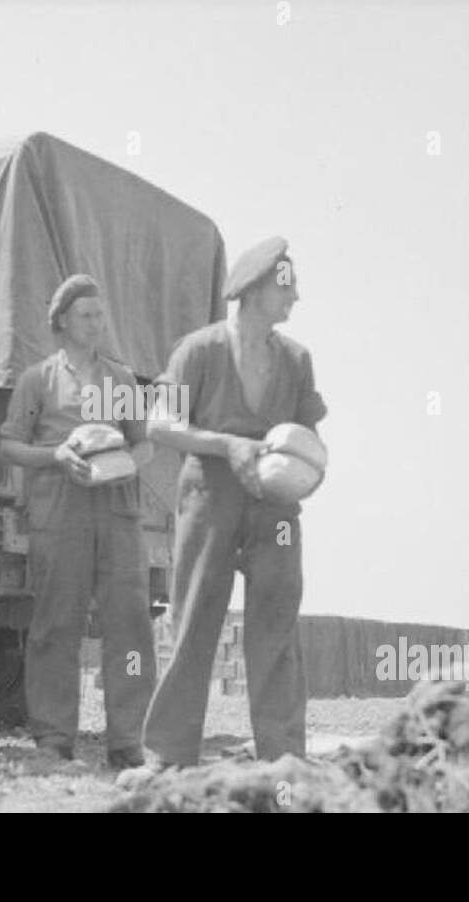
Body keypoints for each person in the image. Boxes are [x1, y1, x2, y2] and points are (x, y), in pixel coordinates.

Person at [137, 237, 326, 769]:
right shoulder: (198, 350)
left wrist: (310, 473)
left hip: (275, 506)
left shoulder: (296, 359)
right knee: (194, 617)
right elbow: (159, 424)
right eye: (287, 286)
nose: (296, 297)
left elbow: (308, 435)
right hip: (209, 493)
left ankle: (283, 755)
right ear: (254, 289)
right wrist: (226, 444)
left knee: (277, 624)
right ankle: (169, 755)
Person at [0, 275, 157, 769]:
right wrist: (56, 455)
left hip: (117, 510)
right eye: (86, 315)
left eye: (100, 315)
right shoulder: (37, 380)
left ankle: (128, 740)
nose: (96, 323)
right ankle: (53, 738)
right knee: (54, 624)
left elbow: (145, 441)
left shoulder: (122, 379)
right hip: (59, 511)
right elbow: (8, 445)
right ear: (63, 321)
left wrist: (127, 463)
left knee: (130, 624)